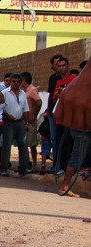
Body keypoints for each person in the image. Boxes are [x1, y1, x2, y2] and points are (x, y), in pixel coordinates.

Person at [54, 53, 91, 197]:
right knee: (77, 156)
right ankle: (65, 186)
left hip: (80, 125)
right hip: (82, 127)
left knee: (77, 155)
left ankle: (65, 185)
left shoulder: (77, 82)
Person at [0, 73, 30, 176]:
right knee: (7, 146)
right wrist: (7, 115)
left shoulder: (23, 93)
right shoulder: (4, 93)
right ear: (10, 82)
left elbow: (25, 108)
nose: (16, 83)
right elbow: (0, 108)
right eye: (14, 81)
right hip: (8, 123)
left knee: (23, 145)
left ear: (21, 82)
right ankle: (4, 168)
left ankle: (23, 167)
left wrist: (27, 122)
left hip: (20, 122)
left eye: (18, 81)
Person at [20, 71, 42, 172]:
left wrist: (34, 115)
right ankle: (26, 164)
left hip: (30, 121)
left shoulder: (32, 90)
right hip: (23, 121)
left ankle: (34, 165)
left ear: (24, 80)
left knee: (32, 144)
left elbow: (39, 101)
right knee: (24, 143)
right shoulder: (22, 91)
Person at [46, 54, 63, 172]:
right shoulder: (52, 78)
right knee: (54, 140)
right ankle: (55, 165)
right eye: (56, 64)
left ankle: (59, 165)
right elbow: (50, 95)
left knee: (60, 140)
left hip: (62, 114)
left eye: (61, 64)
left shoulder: (66, 79)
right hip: (52, 113)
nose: (58, 67)